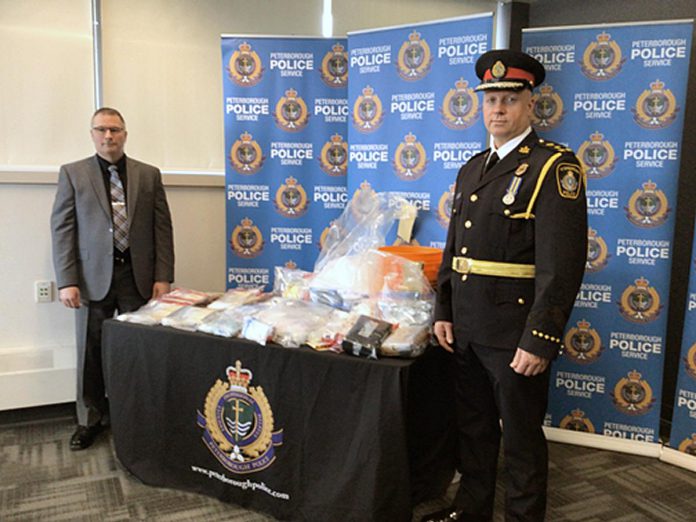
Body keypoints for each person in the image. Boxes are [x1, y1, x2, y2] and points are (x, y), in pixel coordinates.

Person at [423, 50, 587, 521]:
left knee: (520, 440)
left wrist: (540, 338)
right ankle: (472, 512)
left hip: (516, 334)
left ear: (530, 106)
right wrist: (444, 311)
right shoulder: (472, 168)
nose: (497, 109)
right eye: (490, 99)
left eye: (509, 100)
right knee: (473, 432)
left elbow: (562, 265)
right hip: (469, 329)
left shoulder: (555, 168)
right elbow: (456, 250)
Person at [51, 107, 174, 450]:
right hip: (92, 280)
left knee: (140, 349)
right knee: (91, 352)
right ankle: (90, 420)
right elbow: (62, 229)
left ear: (125, 134)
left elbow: (162, 229)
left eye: (115, 130)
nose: (109, 136)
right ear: (92, 134)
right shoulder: (73, 174)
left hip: (139, 276)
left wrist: (163, 277)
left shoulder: (148, 175)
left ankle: (140, 417)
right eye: (102, 130)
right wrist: (67, 280)